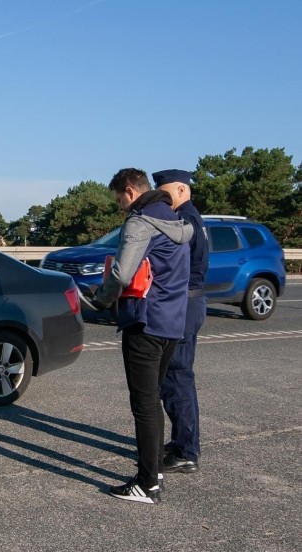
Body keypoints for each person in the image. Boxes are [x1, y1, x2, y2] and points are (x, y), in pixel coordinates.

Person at [89, 167, 193, 504]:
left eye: (120, 199)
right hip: (172, 323)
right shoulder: (178, 223)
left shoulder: (140, 222)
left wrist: (100, 300)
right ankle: (155, 470)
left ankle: (147, 483)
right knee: (153, 402)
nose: (120, 206)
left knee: (144, 405)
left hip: (144, 323)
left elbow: (122, 273)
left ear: (131, 192)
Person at [153, 169, 208, 474]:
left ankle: (187, 450)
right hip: (190, 301)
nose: (162, 197)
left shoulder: (185, 220)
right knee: (175, 376)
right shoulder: (191, 216)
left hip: (185, 303)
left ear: (181, 190)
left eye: (165, 192)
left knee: (177, 376)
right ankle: (181, 443)